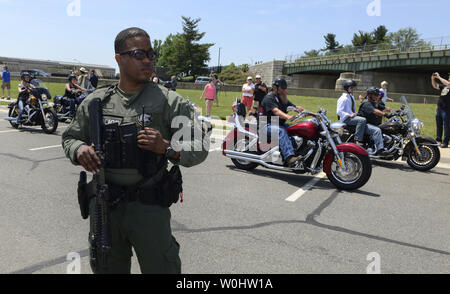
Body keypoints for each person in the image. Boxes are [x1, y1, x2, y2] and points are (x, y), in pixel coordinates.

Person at [62, 27, 208, 274]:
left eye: (151, 54)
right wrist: (80, 150)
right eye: (140, 54)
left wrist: (167, 147)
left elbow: (200, 146)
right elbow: (70, 138)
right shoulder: (97, 101)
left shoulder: (168, 102)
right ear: (119, 58)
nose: (148, 60)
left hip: (148, 209)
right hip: (105, 207)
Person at [261, 77, 305, 167]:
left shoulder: (282, 98)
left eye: (285, 88)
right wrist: (287, 116)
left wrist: (312, 114)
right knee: (281, 131)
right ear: (275, 87)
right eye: (282, 88)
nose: (284, 90)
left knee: (294, 129)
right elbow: (276, 111)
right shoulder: (269, 97)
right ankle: (289, 157)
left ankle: (297, 153)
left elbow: (296, 107)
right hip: (266, 125)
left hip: (278, 124)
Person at [357, 87, 392, 155]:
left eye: (377, 95)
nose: (377, 96)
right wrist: (386, 115)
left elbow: (384, 108)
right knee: (377, 130)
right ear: (370, 95)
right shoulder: (366, 104)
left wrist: (396, 111)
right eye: (375, 95)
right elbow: (375, 111)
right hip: (365, 125)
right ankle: (380, 150)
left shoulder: (374, 103)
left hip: (371, 124)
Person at [337, 80, 366, 147]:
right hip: (346, 119)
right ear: (347, 88)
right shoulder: (343, 98)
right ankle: (357, 140)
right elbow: (339, 111)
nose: (353, 89)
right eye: (351, 88)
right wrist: (349, 115)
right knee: (362, 120)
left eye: (353, 88)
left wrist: (355, 113)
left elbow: (351, 109)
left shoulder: (351, 97)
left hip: (351, 117)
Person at [431, 72, 450, 148]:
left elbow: (449, 84)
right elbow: (435, 86)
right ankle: (438, 140)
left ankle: (445, 142)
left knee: (446, 126)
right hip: (439, 109)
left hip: (447, 109)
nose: (449, 78)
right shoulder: (444, 87)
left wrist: (439, 77)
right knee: (439, 125)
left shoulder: (448, 85)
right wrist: (432, 79)